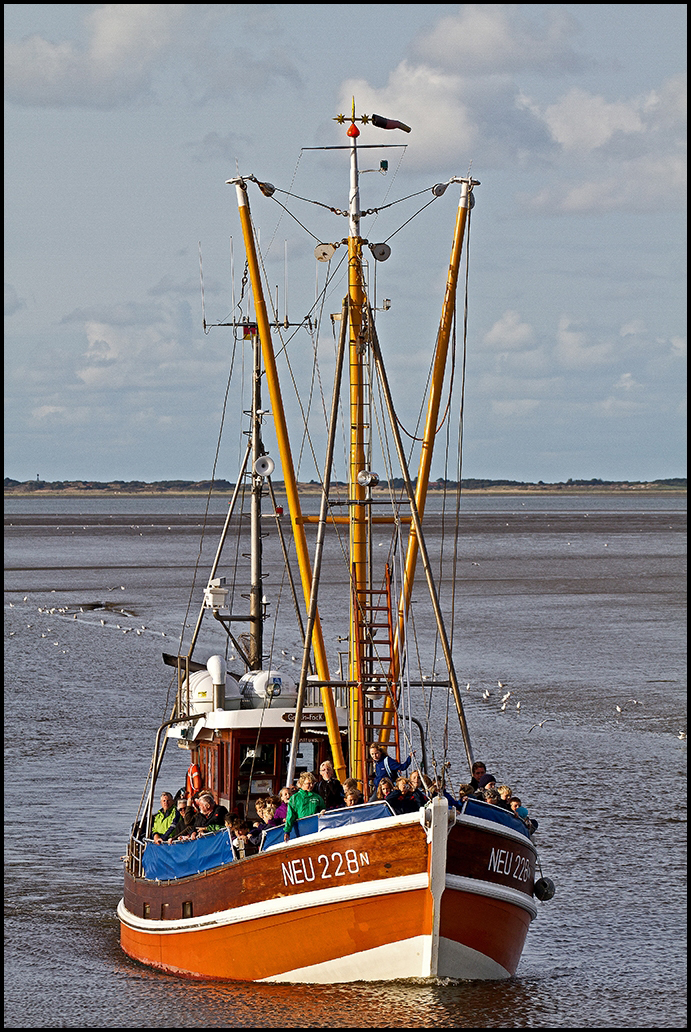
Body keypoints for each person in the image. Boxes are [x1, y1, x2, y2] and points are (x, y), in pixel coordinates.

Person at [283, 772, 325, 840]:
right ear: (302, 784)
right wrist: (287, 831)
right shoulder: (295, 798)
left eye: (313, 783)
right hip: (301, 829)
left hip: (315, 829)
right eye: (308, 783)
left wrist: (323, 812)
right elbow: (290, 816)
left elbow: (323, 809)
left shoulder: (317, 797)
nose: (311, 785)